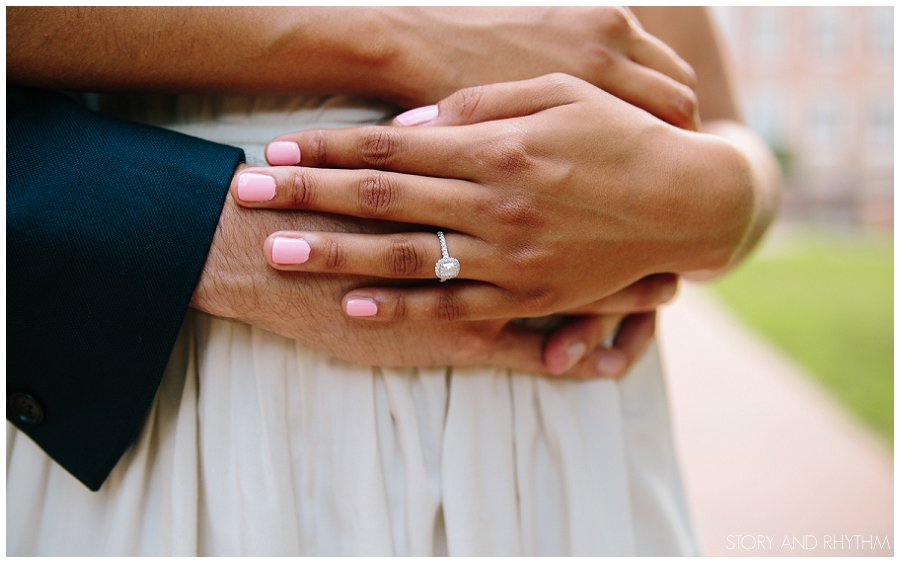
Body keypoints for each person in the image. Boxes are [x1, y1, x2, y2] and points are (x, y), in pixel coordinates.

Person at [6, 7, 779, 556]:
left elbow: (714, 116)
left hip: (563, 452)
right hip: (184, 404)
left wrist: (731, 199)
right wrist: (396, 40)